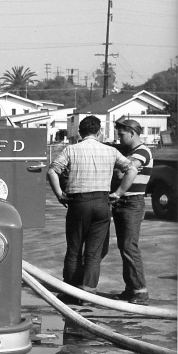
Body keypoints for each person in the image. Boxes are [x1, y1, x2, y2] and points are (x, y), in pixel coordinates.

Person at [47, 115, 137, 304]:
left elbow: (52, 171)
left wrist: (59, 194)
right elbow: (132, 170)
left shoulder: (71, 149)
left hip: (78, 203)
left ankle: (70, 290)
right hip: (102, 202)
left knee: (74, 249)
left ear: (80, 132)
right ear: (99, 132)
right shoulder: (111, 151)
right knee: (94, 252)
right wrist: (119, 193)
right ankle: (88, 293)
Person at [107, 118, 152, 305]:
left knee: (129, 246)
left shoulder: (142, 151)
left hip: (132, 202)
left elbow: (127, 171)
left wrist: (118, 191)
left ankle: (140, 291)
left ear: (132, 133)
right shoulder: (130, 152)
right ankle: (131, 288)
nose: (119, 137)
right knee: (124, 246)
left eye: (122, 134)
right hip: (124, 203)